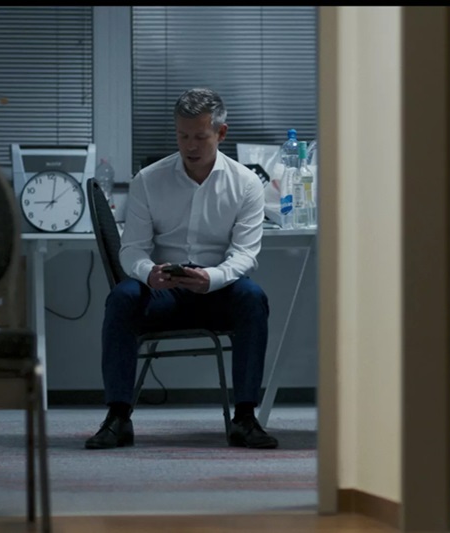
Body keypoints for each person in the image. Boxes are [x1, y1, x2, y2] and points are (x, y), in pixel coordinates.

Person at [85, 87, 278, 450]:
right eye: (182, 136)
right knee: (122, 297)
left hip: (217, 290)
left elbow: (245, 255)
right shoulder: (148, 180)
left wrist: (211, 278)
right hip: (163, 291)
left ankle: (245, 418)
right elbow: (132, 249)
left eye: (200, 137)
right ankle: (118, 417)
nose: (190, 146)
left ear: (221, 133)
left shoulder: (246, 184)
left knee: (253, 298)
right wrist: (148, 272)